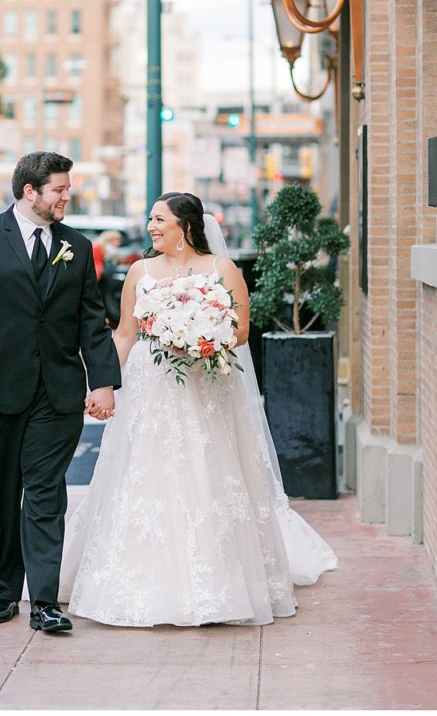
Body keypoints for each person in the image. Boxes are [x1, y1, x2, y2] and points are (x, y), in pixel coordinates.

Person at [60, 191, 337, 627]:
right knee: (144, 473)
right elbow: (126, 334)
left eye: (159, 220)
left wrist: (197, 336)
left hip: (205, 384)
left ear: (186, 227)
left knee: (206, 470)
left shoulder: (221, 269)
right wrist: (105, 384)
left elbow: (241, 330)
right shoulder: (140, 271)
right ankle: (141, 578)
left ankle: (218, 582)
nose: (151, 227)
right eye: (150, 219)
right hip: (152, 387)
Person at [0, 152, 121, 634]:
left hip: (57, 393)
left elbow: (89, 319)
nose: (67, 196)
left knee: (44, 493)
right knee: (1, 493)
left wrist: (102, 379)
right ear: (29, 192)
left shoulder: (77, 247)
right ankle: (2, 593)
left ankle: (44, 601)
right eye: (59, 189)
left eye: (67, 188)